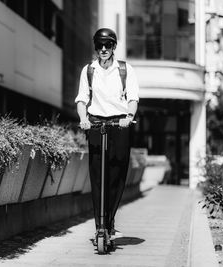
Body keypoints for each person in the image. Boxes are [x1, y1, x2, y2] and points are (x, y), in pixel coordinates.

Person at [75, 28, 139, 242]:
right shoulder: (89, 70)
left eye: (108, 45)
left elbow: (133, 98)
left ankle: (109, 221)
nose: (103, 49)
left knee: (116, 175)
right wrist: (83, 118)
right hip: (95, 124)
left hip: (119, 124)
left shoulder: (125, 69)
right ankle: (100, 226)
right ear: (96, 47)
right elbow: (82, 99)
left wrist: (129, 116)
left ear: (113, 47)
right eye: (100, 46)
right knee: (97, 176)